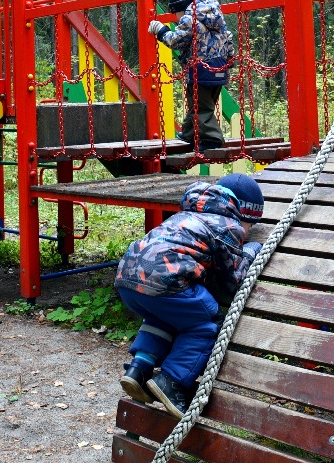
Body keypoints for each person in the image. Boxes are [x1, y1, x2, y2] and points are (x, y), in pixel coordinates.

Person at [113, 173, 265, 418]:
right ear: (243, 215)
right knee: (205, 323)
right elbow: (233, 280)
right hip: (166, 281)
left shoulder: (185, 215)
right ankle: (172, 381)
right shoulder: (228, 226)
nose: (247, 231)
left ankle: (139, 369)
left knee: (163, 319)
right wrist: (249, 250)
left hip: (128, 279)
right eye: (250, 226)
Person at [147, 0, 236, 151]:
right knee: (199, 103)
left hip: (200, 71)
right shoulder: (217, 17)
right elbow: (228, 39)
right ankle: (190, 133)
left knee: (201, 106)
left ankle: (212, 139)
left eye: (175, 13)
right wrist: (229, 64)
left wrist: (161, 30)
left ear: (181, 8)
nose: (176, 18)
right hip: (219, 68)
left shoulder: (189, 18)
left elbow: (175, 41)